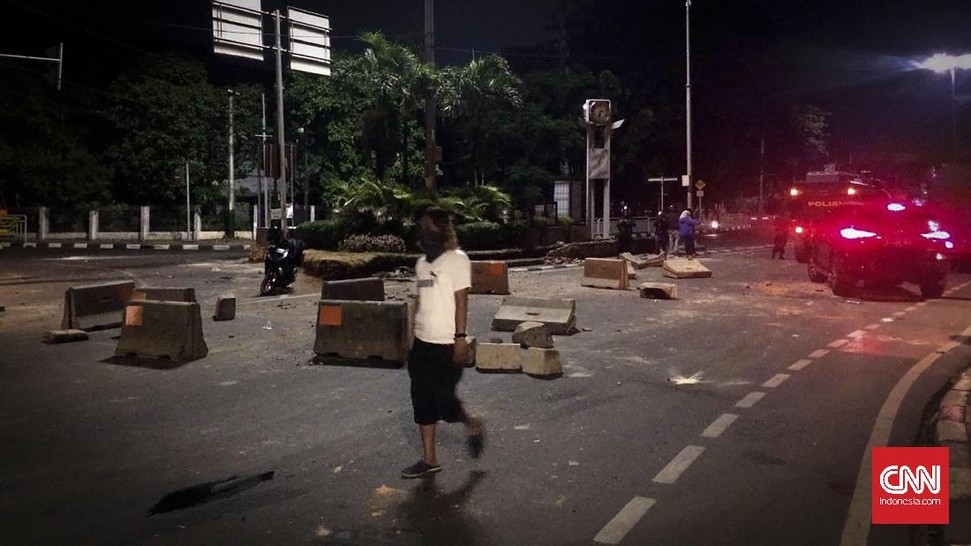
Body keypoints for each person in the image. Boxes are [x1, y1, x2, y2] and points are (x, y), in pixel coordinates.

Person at [402, 207, 484, 479]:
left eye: (428, 228)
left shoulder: (457, 260)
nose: (423, 233)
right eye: (421, 228)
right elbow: (418, 302)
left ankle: (471, 423)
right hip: (422, 343)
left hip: (448, 343)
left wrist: (460, 339)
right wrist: (410, 338)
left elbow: (462, 301)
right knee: (421, 400)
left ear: (442, 230)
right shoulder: (421, 264)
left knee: (444, 402)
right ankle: (429, 459)